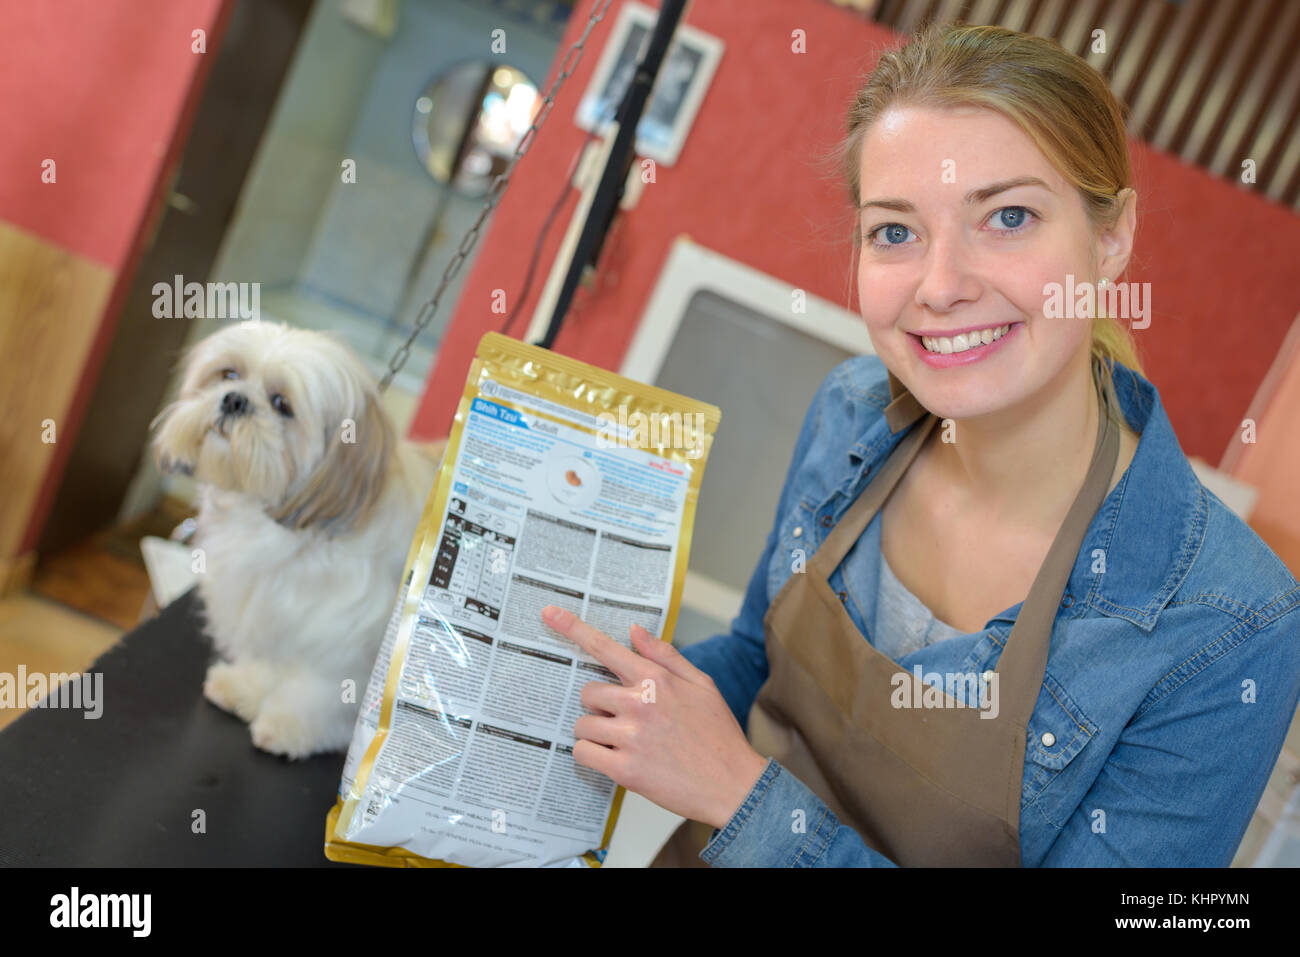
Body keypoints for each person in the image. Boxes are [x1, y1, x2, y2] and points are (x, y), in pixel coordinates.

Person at [540, 21, 1300, 866]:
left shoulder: (1232, 624)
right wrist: (561, 677)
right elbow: (759, 656)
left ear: (1112, 236)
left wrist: (740, 796)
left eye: (1008, 216)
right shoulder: (853, 411)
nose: (941, 287)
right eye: (896, 232)